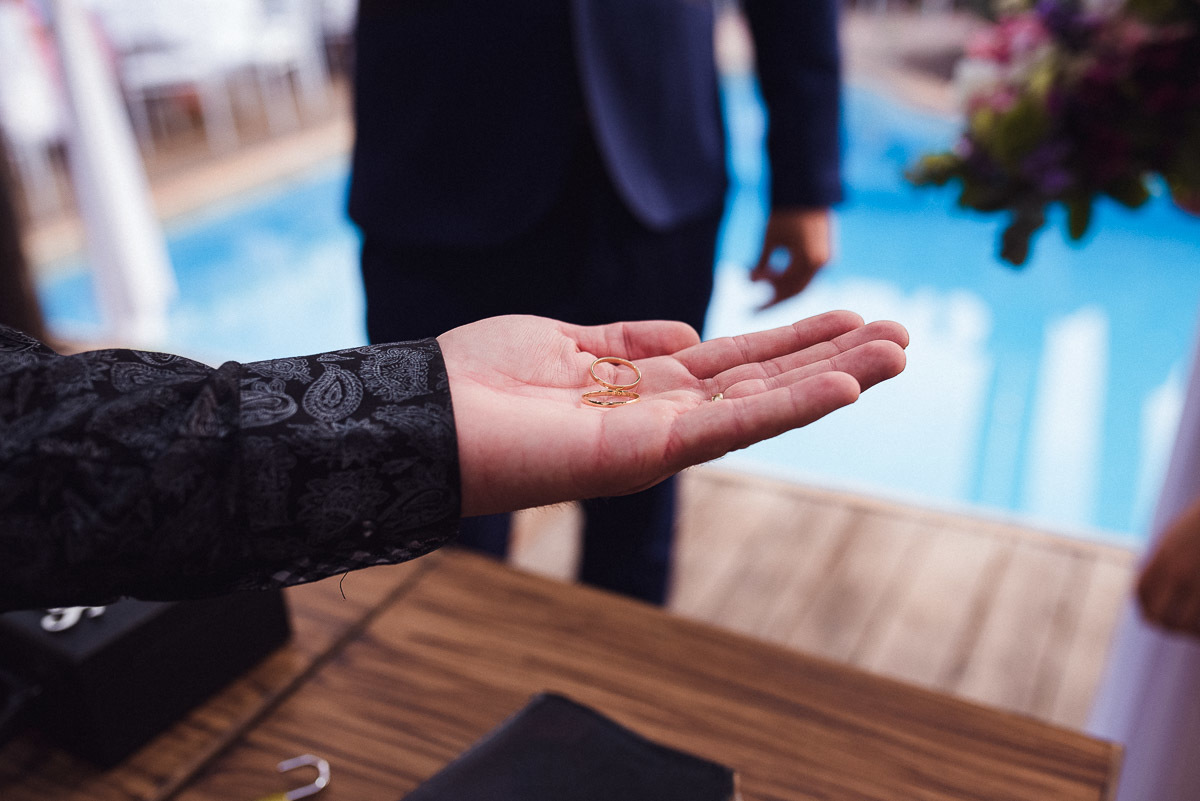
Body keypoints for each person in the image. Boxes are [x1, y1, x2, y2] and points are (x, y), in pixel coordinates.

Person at [348, 0, 844, 603]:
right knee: (434, 504)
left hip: (656, 162)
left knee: (643, 480)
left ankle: (604, 693)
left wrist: (804, 179)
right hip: (434, 153)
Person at [0, 310, 908, 613]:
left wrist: (407, 405)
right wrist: (412, 409)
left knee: (639, 524)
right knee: (451, 582)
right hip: (445, 164)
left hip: (653, 165)